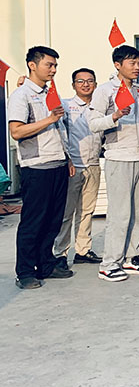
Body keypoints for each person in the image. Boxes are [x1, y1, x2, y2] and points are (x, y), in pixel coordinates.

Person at [89, 45, 139, 281]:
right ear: (117, 65)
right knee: (120, 214)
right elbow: (93, 124)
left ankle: (132, 257)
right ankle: (109, 263)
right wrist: (115, 116)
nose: (137, 67)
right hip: (119, 156)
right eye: (132, 63)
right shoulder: (105, 91)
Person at [8, 46, 74, 289]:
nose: (53, 70)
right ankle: (25, 272)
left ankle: (46, 264)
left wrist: (67, 158)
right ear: (32, 65)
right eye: (49, 65)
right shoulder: (22, 95)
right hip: (36, 167)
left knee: (53, 221)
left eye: (55, 65)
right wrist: (49, 119)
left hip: (58, 164)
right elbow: (16, 131)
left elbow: (60, 129)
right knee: (33, 222)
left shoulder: (50, 92)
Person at [53, 68, 103, 267]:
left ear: (95, 85)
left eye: (90, 81)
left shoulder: (100, 108)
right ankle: (60, 253)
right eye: (80, 81)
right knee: (67, 213)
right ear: (73, 85)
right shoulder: (66, 106)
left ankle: (83, 250)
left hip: (93, 165)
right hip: (73, 167)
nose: (85, 84)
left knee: (87, 211)